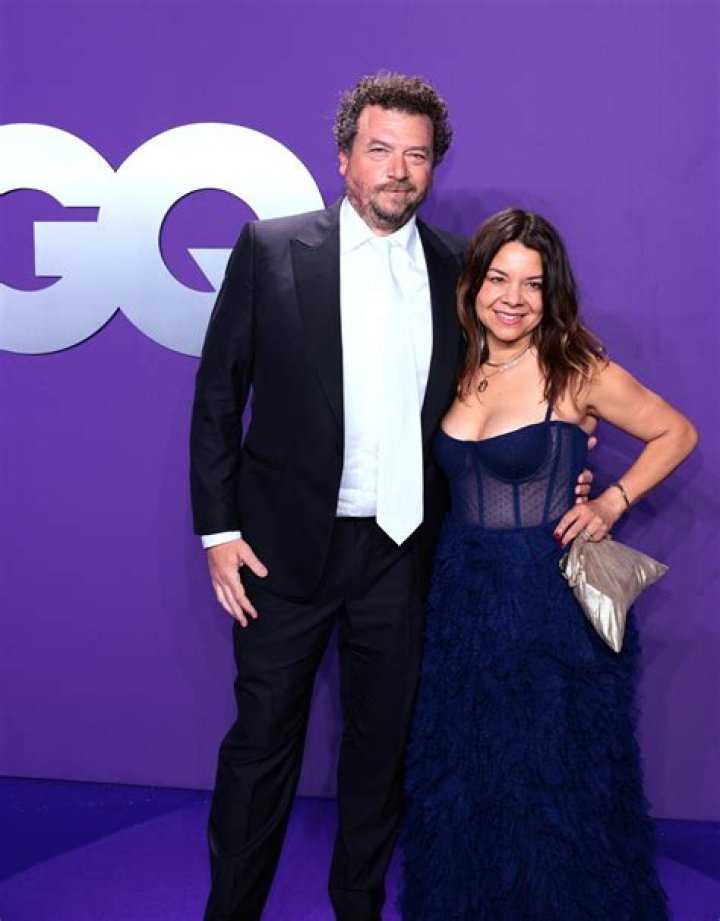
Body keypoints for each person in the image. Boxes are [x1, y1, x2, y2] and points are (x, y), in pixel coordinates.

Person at [190, 74, 591, 921]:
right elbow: (219, 396)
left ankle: (359, 909)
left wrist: (567, 467)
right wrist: (218, 531)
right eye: (380, 150)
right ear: (344, 158)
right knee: (261, 747)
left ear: (433, 167)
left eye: (417, 155)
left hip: (406, 555)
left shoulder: (461, 271)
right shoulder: (269, 249)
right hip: (282, 553)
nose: (398, 170)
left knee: (382, 753)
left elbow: (509, 387)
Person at [400, 208, 698, 920]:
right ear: (473, 283)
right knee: (469, 765)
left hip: (550, 607)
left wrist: (612, 500)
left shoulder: (574, 368)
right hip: (462, 602)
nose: (513, 298)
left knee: (554, 776)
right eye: (499, 279)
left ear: (551, 292)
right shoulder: (455, 363)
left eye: (532, 284)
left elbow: (675, 431)